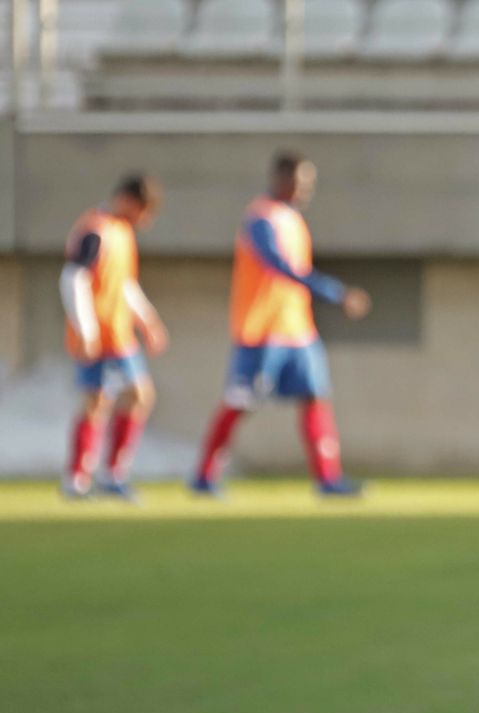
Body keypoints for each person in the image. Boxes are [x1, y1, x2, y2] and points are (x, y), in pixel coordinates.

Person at [190, 151, 371, 497]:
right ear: (282, 179)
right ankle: (204, 475)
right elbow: (279, 264)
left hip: (297, 329)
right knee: (240, 402)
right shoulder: (261, 218)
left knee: (316, 397)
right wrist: (334, 292)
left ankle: (328, 479)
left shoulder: (293, 220)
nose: (306, 190)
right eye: (301, 182)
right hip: (261, 330)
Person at [60, 173, 168, 500]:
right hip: (100, 335)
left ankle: (112, 475)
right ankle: (77, 480)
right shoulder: (97, 229)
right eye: (143, 211)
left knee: (139, 395)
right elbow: (73, 277)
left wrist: (147, 319)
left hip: (120, 334)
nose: (144, 220)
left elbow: (123, 284)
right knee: (96, 401)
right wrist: (86, 328)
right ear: (128, 201)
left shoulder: (121, 232)